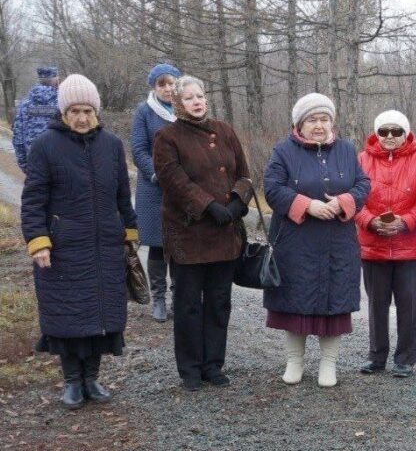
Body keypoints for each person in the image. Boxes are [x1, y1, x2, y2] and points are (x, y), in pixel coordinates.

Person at [20, 74, 138, 409]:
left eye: (88, 110)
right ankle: (72, 381)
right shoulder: (45, 146)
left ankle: (92, 378)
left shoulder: (112, 145)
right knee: (67, 313)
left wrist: (129, 234)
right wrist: (39, 241)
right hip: (63, 247)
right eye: (74, 111)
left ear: (96, 111)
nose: (82, 117)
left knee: (101, 314)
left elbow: (121, 196)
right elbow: (33, 201)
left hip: (105, 246)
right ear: (63, 113)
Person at [153, 75, 254, 391]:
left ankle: (213, 365)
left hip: (225, 233)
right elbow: (174, 181)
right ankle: (191, 369)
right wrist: (208, 206)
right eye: (189, 98)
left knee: (219, 300)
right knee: (188, 303)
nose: (197, 102)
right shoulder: (167, 138)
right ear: (178, 103)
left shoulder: (224, 130)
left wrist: (237, 203)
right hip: (188, 234)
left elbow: (244, 174)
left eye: (200, 96)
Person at [261, 94, 369, 387]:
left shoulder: (347, 149)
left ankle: (328, 364)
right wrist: (307, 205)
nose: (319, 125)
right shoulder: (283, 151)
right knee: (295, 301)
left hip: (338, 241)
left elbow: (363, 185)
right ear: (300, 123)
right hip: (296, 242)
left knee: (334, 303)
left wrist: (344, 201)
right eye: (312, 120)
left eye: (324, 119)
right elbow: (271, 188)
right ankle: (294, 362)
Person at [356, 110, 416, 378]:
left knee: (408, 303)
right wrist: (369, 221)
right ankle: (376, 356)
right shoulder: (362, 159)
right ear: (376, 133)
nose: (390, 136)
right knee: (376, 304)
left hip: (410, 245)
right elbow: (355, 198)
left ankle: (405, 359)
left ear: (406, 133)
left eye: (396, 131)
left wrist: (406, 221)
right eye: (384, 131)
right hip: (373, 243)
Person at [131, 63, 181, 323]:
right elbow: (138, 149)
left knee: (181, 243)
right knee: (159, 245)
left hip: (183, 190)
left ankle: (178, 297)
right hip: (155, 189)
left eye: (172, 83)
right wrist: (159, 174)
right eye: (162, 84)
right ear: (154, 87)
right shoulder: (144, 113)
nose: (168, 88)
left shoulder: (185, 109)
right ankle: (158, 298)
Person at [13, 66, 60, 174]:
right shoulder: (63, 104)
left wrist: (25, 166)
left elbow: (18, 139)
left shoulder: (24, 105)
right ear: (56, 81)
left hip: (34, 166)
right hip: (62, 166)